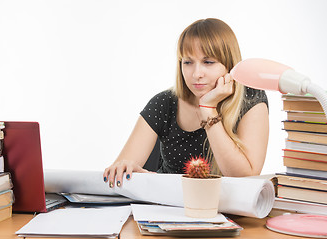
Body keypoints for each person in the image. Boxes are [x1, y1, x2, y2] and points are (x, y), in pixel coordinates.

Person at [103, 18, 269, 188]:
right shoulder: (164, 103)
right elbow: (116, 176)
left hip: (225, 209)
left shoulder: (250, 98)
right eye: (188, 62)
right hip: (168, 206)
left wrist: (208, 109)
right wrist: (130, 172)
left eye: (208, 62)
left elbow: (243, 178)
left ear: (230, 65)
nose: (196, 74)